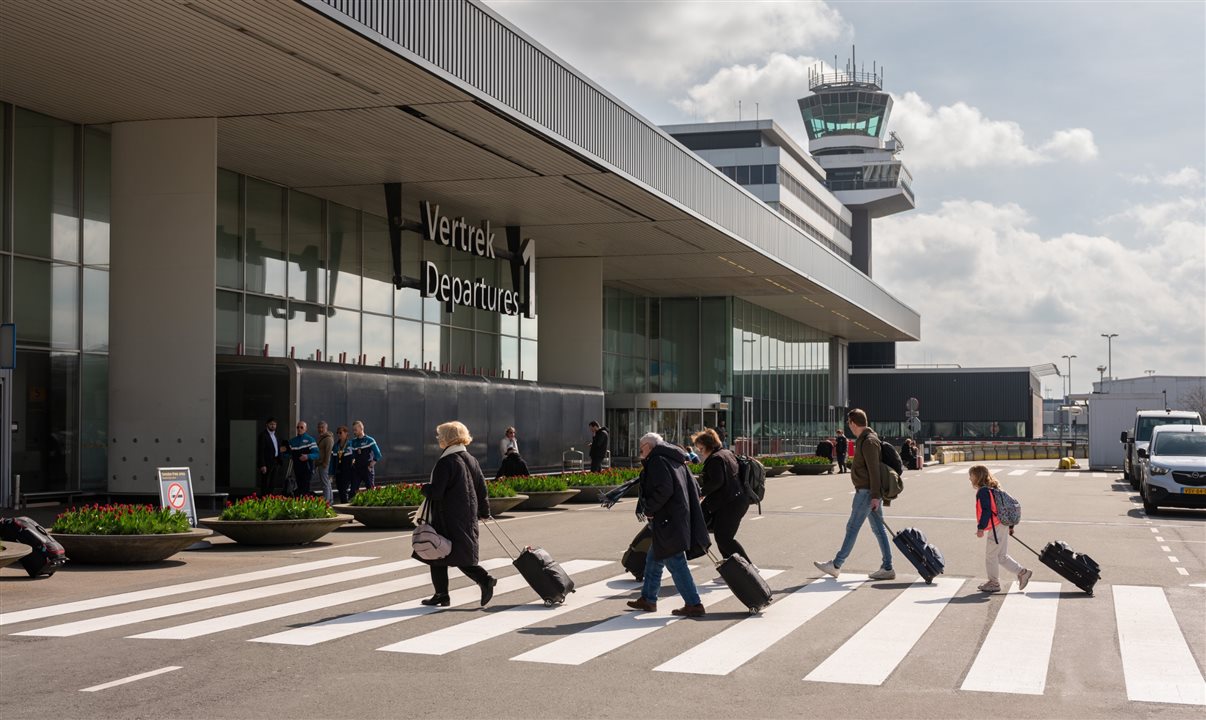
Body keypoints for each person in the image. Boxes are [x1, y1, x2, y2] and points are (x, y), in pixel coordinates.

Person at [626, 432, 711, 617]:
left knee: (675, 562)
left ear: (649, 446)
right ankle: (648, 599)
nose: (640, 452)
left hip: (667, 520)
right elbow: (695, 488)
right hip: (676, 518)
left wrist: (649, 509)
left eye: (642, 448)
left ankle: (694, 603)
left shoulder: (657, 460)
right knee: (653, 559)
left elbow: (664, 489)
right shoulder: (675, 457)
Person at [416, 421, 498, 608]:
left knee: (442, 552)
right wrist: (484, 512)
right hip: (466, 515)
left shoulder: (446, 461)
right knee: (443, 555)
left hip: (447, 516)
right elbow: (481, 489)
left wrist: (424, 488)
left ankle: (484, 579)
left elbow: (437, 492)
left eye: (440, 435)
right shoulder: (471, 459)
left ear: (447, 438)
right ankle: (441, 595)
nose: (438, 439)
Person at [814, 409, 895, 580]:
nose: (848, 426)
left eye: (848, 423)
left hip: (867, 492)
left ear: (852, 423)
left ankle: (836, 564)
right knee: (878, 529)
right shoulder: (866, 439)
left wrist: (874, 496)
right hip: (868, 491)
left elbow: (874, 470)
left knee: (853, 527)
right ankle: (887, 567)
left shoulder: (868, 441)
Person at [693, 428, 752, 566]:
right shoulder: (726, 453)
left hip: (731, 503)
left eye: (701, 449)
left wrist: (701, 492)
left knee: (724, 538)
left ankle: (747, 567)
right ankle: (732, 567)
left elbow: (717, 481)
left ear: (709, 446)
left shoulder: (715, 459)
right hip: (735, 500)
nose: (700, 452)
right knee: (722, 537)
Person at [970, 465, 1032, 593]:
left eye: (971, 475)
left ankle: (994, 583)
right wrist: (1010, 526)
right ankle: (1023, 572)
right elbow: (1004, 508)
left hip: (996, 526)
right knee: (1001, 556)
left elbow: (987, 510)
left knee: (991, 556)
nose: (969, 478)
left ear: (977, 476)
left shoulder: (983, 491)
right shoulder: (994, 488)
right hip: (1002, 524)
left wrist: (981, 528)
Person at [348, 420, 382, 496]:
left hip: (367, 469)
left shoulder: (370, 440)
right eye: (353, 430)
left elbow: (378, 454)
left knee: (370, 491)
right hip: (357, 469)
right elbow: (352, 456)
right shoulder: (353, 442)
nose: (354, 432)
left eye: (355, 430)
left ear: (361, 428)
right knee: (352, 491)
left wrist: (371, 465)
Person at [255, 417, 287, 495]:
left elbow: (282, 445)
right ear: (267, 425)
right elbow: (260, 451)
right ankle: (264, 500)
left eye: (274, 424)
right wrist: (262, 465)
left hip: (276, 461)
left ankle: (270, 499)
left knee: (273, 482)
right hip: (266, 463)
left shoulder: (277, 435)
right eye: (271, 424)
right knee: (265, 482)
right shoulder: (263, 435)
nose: (273, 426)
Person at [287, 421, 319, 497]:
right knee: (299, 488)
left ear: (305, 429)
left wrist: (307, 456)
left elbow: (317, 454)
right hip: (297, 469)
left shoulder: (310, 440)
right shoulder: (292, 441)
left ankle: (305, 506)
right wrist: (283, 451)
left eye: (302, 427)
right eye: (298, 427)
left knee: (305, 489)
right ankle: (300, 506)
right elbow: (288, 455)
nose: (299, 429)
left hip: (307, 469)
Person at [329, 425, 354, 504]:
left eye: (340, 432)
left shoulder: (351, 444)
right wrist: (331, 473)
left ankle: (346, 505)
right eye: (337, 433)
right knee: (340, 489)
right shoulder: (335, 446)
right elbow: (332, 461)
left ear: (346, 433)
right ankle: (344, 505)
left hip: (348, 471)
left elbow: (355, 457)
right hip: (338, 471)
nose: (339, 434)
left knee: (344, 489)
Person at [315, 421, 335, 504]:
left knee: (325, 483)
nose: (320, 429)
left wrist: (325, 463)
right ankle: (330, 500)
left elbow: (328, 452)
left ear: (326, 428)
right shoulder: (321, 438)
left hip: (325, 464)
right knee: (327, 483)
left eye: (322, 427)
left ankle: (326, 501)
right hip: (321, 463)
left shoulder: (328, 439)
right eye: (319, 427)